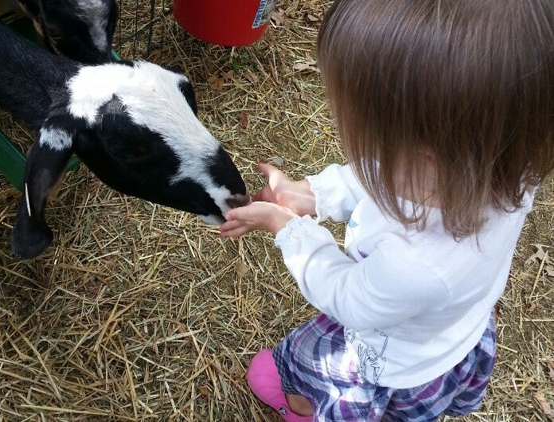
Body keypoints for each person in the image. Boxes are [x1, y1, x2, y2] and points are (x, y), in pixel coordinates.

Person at [219, 0, 554, 420]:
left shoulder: (418, 266)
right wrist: (312, 195)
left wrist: (286, 227)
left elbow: (346, 296)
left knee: (288, 374)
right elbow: (379, 177)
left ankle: (305, 402)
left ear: (428, 156)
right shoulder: (507, 169)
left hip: (392, 357)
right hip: (437, 325)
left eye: (370, 135)